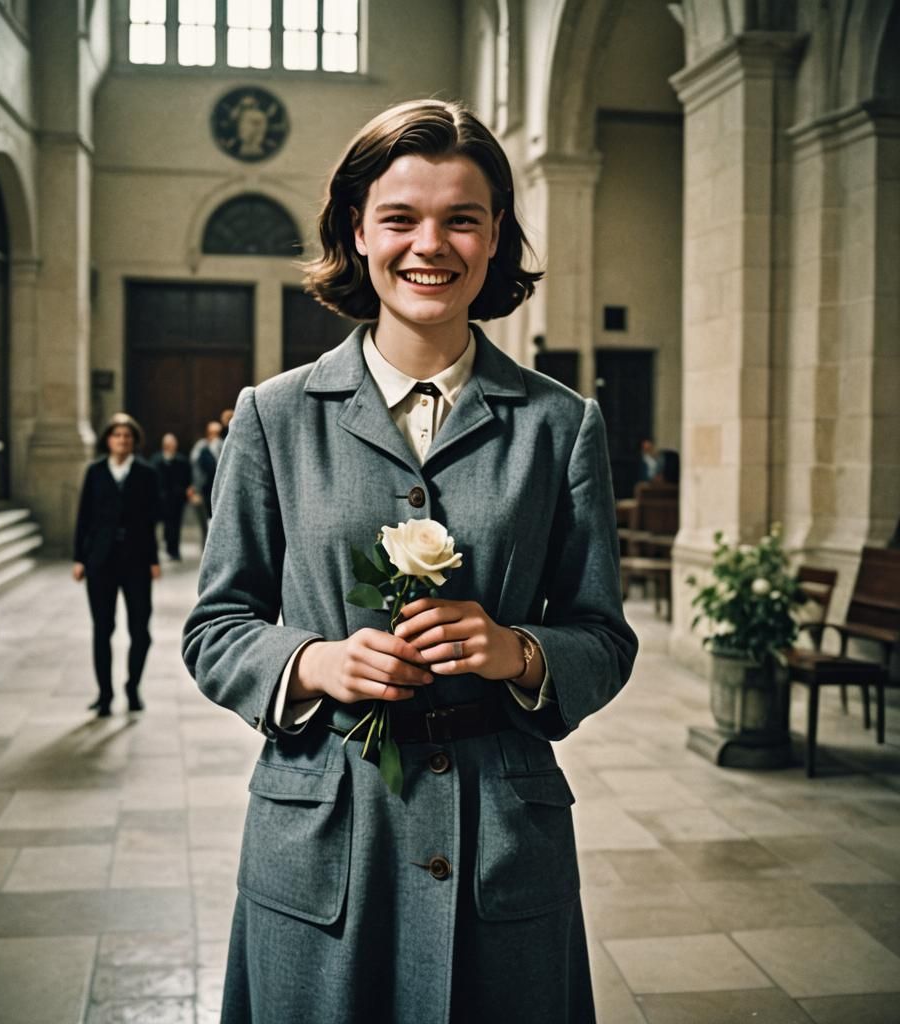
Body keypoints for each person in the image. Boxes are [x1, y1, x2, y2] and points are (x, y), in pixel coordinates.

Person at [182, 99, 637, 1023]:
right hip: (325, 836)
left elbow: (604, 635)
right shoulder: (274, 416)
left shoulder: (559, 424)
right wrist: (313, 662)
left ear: (496, 234)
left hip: (499, 841)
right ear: (357, 230)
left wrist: (519, 652)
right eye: (399, 217)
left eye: (461, 217)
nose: (431, 244)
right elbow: (216, 626)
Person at [73, 413, 161, 717]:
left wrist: (154, 559)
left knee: (140, 630)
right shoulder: (95, 472)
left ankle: (132, 687)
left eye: (127, 436)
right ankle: (104, 694)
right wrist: (78, 558)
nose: (122, 440)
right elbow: (83, 517)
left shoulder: (146, 473)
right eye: (117, 435)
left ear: (134, 441)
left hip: (136, 561)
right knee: (103, 628)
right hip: (101, 560)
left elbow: (151, 520)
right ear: (108, 440)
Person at [150, 432, 192, 560]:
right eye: (168, 444)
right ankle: (155, 551)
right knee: (157, 525)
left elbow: (187, 479)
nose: (170, 446)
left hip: (176, 499)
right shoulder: (156, 460)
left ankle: (173, 550)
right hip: (160, 499)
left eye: (172, 444)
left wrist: (186, 491)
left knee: (175, 525)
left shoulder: (182, 461)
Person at [189, 420, 221, 542]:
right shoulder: (202, 449)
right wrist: (195, 489)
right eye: (212, 433)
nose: (215, 436)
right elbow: (197, 470)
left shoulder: (223, 445)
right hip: (205, 490)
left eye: (217, 433)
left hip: (220, 490)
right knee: (205, 524)